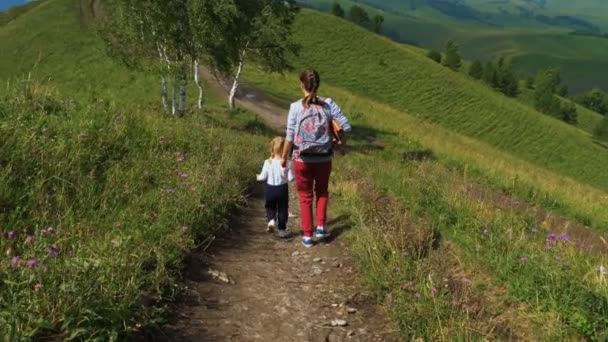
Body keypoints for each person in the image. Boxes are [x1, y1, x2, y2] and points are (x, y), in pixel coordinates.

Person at [281, 68, 351, 248]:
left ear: (301, 85)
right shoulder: (328, 104)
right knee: (322, 191)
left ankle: (307, 236)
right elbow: (345, 126)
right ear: (318, 85)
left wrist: (283, 157)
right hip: (324, 158)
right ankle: (321, 226)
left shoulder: (295, 107)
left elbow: (289, 136)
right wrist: (340, 142)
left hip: (301, 159)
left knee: (305, 197)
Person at [257, 136, 295, 238]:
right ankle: (282, 230)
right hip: (282, 189)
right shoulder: (287, 163)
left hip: (270, 189)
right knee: (283, 209)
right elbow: (291, 179)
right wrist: (293, 176)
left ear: (272, 148)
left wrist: (257, 177)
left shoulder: (267, 162)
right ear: (285, 149)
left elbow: (262, 177)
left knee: (270, 206)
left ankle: (271, 220)